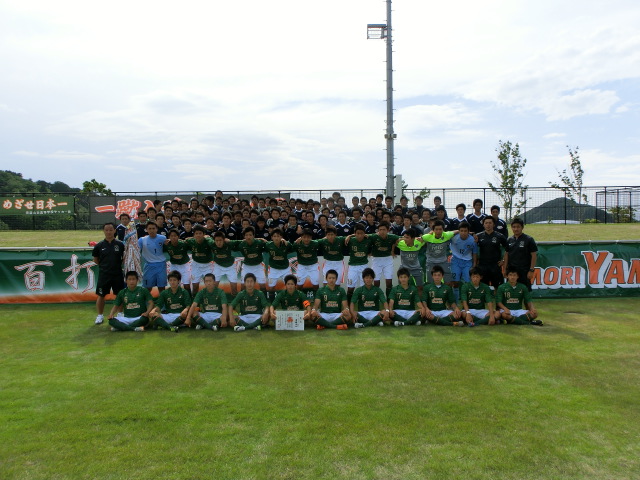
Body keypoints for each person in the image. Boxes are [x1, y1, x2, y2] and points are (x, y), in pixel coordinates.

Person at [92, 222, 125, 325]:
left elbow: (124, 258)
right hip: (104, 275)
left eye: (111, 230)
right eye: (106, 230)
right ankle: (100, 315)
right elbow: (95, 260)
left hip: (117, 274)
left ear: (115, 231)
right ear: (103, 231)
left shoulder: (120, 244)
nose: (109, 232)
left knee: (119, 295)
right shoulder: (99, 245)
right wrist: (105, 267)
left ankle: (120, 314)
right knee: (101, 295)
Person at [419, 220, 458, 284]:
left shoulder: (446, 235)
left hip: (443, 261)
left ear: (443, 230)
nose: (438, 231)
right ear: (433, 230)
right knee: (430, 282)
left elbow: (456, 231)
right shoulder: (427, 236)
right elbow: (417, 239)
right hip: (430, 261)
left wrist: (470, 233)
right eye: (436, 229)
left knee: (448, 282)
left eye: (440, 229)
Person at [367, 221, 400, 297]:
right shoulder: (373, 236)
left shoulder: (392, 237)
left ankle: (389, 300)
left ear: (388, 230)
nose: (382, 231)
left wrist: (392, 250)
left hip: (388, 260)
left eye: (384, 229)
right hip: (376, 260)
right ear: (378, 230)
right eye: (380, 230)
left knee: (389, 281)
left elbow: (400, 239)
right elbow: (362, 235)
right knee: (376, 281)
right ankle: (377, 298)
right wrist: (349, 236)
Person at [505, 218, 538, 291]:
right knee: (511, 290)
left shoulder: (529, 239)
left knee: (525, 290)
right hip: (512, 270)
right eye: (514, 227)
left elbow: (534, 255)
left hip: (524, 270)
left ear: (522, 227)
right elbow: (506, 254)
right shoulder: (509, 240)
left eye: (518, 227)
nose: (516, 229)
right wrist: (504, 269)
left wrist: (531, 270)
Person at [476, 216, 508, 290]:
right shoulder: (478, 236)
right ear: (483, 224)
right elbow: (473, 249)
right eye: (486, 223)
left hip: (495, 266)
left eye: (490, 223)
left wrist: (503, 260)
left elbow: (507, 249)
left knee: (498, 287)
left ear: (494, 224)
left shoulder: (500, 236)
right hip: (483, 266)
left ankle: (497, 297)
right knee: (483, 288)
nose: (488, 225)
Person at [449, 221, 478, 303]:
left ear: (468, 231)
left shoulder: (472, 240)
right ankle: (456, 302)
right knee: (455, 282)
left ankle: (468, 301)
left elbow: (474, 253)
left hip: (467, 262)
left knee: (468, 282)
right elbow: (446, 234)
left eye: (465, 231)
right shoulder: (454, 238)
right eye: (461, 231)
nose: (463, 233)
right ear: (459, 231)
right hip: (455, 261)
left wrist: (474, 264)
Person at [137, 221, 167, 293]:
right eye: (149, 229)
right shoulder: (142, 240)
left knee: (161, 287)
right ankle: (147, 300)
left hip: (161, 265)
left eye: (153, 228)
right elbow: (137, 251)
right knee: (147, 288)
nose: (151, 230)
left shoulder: (163, 238)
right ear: (146, 229)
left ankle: (162, 300)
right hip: (149, 266)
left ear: (157, 229)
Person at [395, 227, 426, 295]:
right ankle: (402, 300)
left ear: (413, 238)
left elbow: (427, 238)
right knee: (401, 287)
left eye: (407, 237)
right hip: (404, 268)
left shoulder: (419, 243)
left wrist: (421, 238)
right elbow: (392, 240)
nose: (405, 239)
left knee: (420, 287)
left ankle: (420, 300)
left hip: (416, 268)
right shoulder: (400, 243)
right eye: (404, 237)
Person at [264, 228, 293, 301]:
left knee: (290, 285)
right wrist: (261, 239)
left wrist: (286, 241)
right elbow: (260, 243)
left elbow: (293, 247)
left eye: (278, 236)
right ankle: (272, 303)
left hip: (285, 269)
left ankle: (290, 301)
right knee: (271, 287)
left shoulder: (286, 244)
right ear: (272, 237)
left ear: (281, 237)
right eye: (274, 236)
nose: (276, 238)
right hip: (273, 269)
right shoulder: (268, 245)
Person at [185, 225, 215, 294]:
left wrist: (209, 238)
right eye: (196, 233)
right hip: (196, 265)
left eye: (200, 233)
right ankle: (194, 299)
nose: (198, 235)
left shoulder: (208, 241)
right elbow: (185, 240)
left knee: (209, 285)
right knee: (195, 286)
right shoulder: (191, 241)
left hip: (208, 265)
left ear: (204, 234)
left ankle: (210, 299)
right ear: (194, 235)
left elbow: (213, 244)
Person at [236, 226, 267, 292]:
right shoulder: (241, 245)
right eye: (246, 235)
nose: (248, 237)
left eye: (250, 235)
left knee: (263, 286)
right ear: (244, 236)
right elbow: (231, 243)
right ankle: (243, 298)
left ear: (253, 236)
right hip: (246, 266)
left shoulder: (259, 243)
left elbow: (269, 244)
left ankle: (264, 298)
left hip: (258, 266)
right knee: (243, 286)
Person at [344, 223, 371, 299]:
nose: (359, 235)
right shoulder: (350, 240)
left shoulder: (368, 239)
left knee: (365, 286)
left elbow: (377, 235)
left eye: (361, 233)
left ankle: (364, 303)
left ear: (364, 233)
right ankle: (348, 304)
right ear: (355, 233)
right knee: (350, 287)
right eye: (358, 233)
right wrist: (349, 236)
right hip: (353, 266)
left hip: (364, 266)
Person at [291, 229, 321, 295]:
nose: (306, 239)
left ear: (311, 237)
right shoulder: (297, 244)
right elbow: (290, 248)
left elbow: (324, 240)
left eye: (308, 237)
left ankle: (317, 298)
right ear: (301, 237)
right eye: (304, 237)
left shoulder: (315, 243)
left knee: (315, 284)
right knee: (299, 285)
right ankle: (299, 298)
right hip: (302, 266)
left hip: (313, 266)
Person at [164, 229, 192, 293]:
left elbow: (193, 244)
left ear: (178, 237)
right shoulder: (167, 245)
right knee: (174, 285)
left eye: (175, 236)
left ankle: (189, 298)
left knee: (186, 285)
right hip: (174, 266)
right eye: (171, 236)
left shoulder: (184, 244)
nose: (173, 237)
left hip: (184, 266)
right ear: (169, 237)